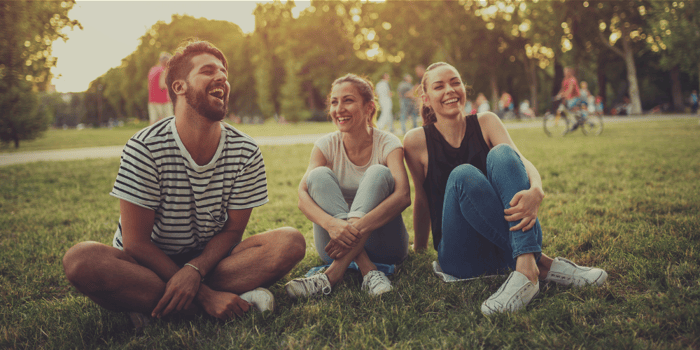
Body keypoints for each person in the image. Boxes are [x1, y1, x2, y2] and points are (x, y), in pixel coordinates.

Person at [62, 40, 306, 328]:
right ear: (179, 87)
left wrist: (194, 270)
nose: (222, 78)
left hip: (209, 262)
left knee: (290, 242)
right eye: (208, 70)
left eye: (224, 73)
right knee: (81, 261)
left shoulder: (246, 150)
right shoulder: (144, 148)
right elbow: (136, 243)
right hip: (145, 265)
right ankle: (212, 301)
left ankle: (152, 306)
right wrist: (204, 295)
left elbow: (233, 231)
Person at [403, 62, 608, 316]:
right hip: (460, 257)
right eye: (439, 86)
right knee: (462, 175)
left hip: (502, 250)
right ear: (426, 99)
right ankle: (542, 263)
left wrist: (537, 190)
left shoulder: (487, 121)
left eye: (455, 82)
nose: (450, 90)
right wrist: (419, 251)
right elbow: (422, 199)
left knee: (502, 153)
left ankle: (525, 269)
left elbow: (520, 161)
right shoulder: (415, 141)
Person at [285, 74, 411, 298]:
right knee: (318, 176)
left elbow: (403, 196)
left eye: (348, 100)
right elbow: (302, 195)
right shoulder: (325, 146)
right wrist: (332, 225)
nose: (339, 109)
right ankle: (367, 269)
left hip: (385, 245)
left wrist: (356, 229)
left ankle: (332, 275)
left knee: (378, 173)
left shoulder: (388, 143)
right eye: (334, 102)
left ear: (369, 108)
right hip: (333, 243)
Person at [148, 52, 175, 125]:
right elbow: (162, 85)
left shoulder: (152, 69)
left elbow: (149, 86)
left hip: (152, 101)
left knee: (153, 123)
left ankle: (151, 136)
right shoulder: (163, 70)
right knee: (170, 122)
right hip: (163, 101)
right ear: (166, 62)